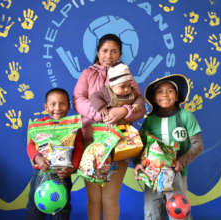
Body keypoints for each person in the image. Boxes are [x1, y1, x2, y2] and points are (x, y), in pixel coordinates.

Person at [73, 33, 145, 220]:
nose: (109, 55)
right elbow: (78, 100)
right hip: (91, 144)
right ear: (98, 52)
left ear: (120, 54)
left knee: (111, 198)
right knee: (94, 198)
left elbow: (140, 104)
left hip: (119, 145)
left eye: (114, 51)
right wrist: (102, 115)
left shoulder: (126, 76)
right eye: (105, 50)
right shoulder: (87, 74)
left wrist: (124, 112)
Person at [134, 74, 203, 220]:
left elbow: (197, 145)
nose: (165, 94)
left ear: (177, 97)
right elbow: (140, 147)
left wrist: (181, 162)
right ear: (153, 98)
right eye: (160, 91)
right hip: (151, 176)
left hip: (177, 174)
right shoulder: (149, 121)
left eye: (170, 90)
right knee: (152, 213)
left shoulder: (185, 116)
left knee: (178, 213)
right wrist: (138, 164)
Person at [25, 88, 84, 220]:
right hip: (41, 174)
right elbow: (30, 145)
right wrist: (38, 158)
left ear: (68, 106)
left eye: (62, 103)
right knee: (34, 210)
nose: (57, 108)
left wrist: (72, 167)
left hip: (63, 175)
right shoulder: (38, 125)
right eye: (53, 104)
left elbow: (79, 148)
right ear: (46, 107)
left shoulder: (74, 126)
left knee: (61, 212)